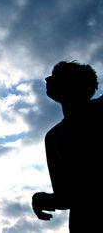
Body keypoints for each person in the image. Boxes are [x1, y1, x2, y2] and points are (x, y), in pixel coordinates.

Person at [32, 61, 102, 232]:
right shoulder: (53, 136)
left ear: (81, 85)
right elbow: (66, 196)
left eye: (58, 76)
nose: (48, 79)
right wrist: (43, 199)